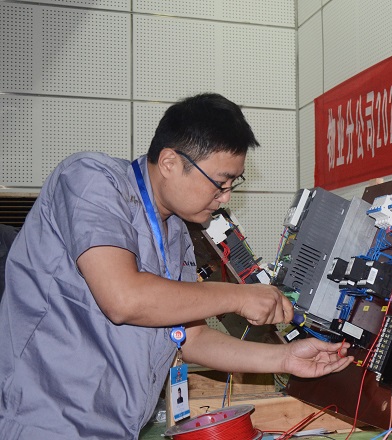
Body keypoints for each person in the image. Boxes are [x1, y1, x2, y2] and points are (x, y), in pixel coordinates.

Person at [0, 93, 353, 439]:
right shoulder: (91, 179)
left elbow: (189, 338)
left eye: (233, 184)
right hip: (44, 422)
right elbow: (123, 299)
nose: (226, 197)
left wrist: (285, 358)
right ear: (169, 162)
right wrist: (238, 297)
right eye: (220, 183)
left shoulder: (178, 234)